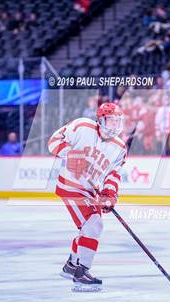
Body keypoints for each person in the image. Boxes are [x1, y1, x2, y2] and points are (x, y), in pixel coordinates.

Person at [47, 103, 126, 291]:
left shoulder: (120, 147)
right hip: (70, 185)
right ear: (100, 120)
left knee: (89, 228)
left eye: (117, 122)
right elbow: (53, 142)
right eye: (110, 121)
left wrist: (108, 195)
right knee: (94, 224)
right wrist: (72, 155)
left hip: (90, 191)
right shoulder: (83, 126)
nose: (114, 126)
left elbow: (113, 174)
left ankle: (71, 266)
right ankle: (81, 272)